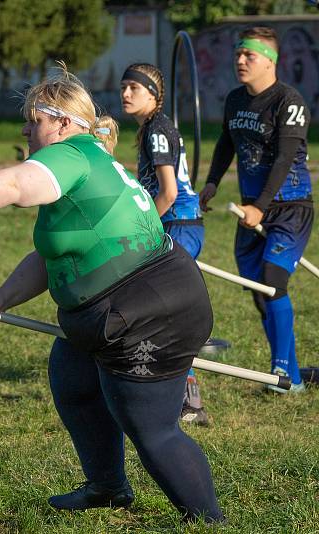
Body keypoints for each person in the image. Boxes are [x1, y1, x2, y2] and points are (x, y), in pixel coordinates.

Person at [0, 66, 224, 523]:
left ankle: (209, 520)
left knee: (150, 428)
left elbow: (15, 185)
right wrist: (5, 296)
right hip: (127, 305)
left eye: (32, 121)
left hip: (146, 310)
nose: (25, 131)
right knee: (73, 375)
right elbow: (50, 254)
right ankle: (107, 487)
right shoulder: (87, 159)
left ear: (62, 122)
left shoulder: (72, 155)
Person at [199, 26, 312, 393]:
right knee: (258, 289)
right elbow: (226, 143)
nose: (240, 60)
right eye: (238, 54)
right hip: (251, 210)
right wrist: (213, 182)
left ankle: (280, 374)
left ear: (271, 61)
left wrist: (261, 207)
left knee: (272, 280)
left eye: (249, 55)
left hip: (289, 209)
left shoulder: (289, 102)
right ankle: (293, 378)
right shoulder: (235, 100)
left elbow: (284, 159)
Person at [120, 63, 209, 425]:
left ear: (153, 96)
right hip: (177, 223)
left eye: (134, 89)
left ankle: (191, 402)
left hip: (177, 223)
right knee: (161, 311)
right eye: (124, 87)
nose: (125, 94)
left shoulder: (157, 130)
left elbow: (169, 192)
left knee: (171, 313)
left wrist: (145, 227)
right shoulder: (152, 128)